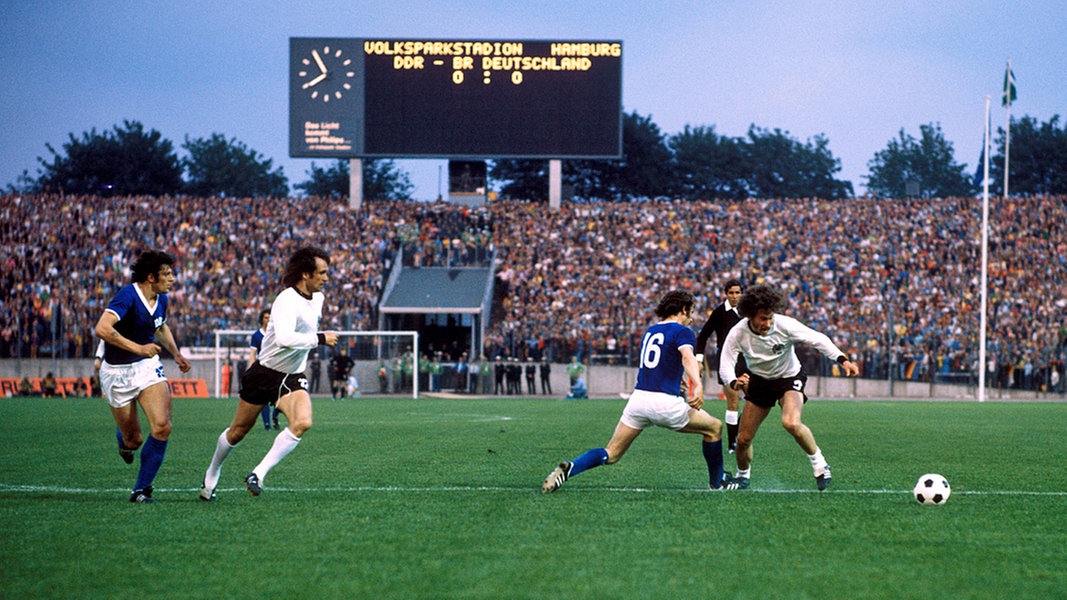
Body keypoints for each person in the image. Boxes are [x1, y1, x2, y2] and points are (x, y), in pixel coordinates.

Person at [542, 290, 730, 493]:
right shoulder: (682, 331)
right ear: (683, 309)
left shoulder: (650, 331)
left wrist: (679, 382)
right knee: (714, 428)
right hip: (664, 404)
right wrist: (698, 385)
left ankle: (571, 467)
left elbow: (658, 364)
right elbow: (687, 358)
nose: (692, 318)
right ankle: (717, 483)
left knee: (611, 453)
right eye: (691, 312)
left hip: (638, 401)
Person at [199, 246, 338, 501]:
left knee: (303, 422)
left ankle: (258, 474)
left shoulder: (318, 298)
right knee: (238, 431)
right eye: (322, 273)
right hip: (265, 373)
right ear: (306, 274)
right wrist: (319, 338)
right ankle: (212, 471)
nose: (326, 278)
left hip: (292, 376)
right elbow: (284, 338)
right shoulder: (286, 299)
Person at [718, 284, 859, 491]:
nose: (768, 323)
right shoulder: (738, 333)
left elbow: (818, 339)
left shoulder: (785, 325)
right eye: (762, 319)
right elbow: (725, 365)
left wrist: (842, 360)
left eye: (770, 317)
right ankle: (742, 477)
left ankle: (820, 465)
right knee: (743, 438)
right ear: (750, 316)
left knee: (791, 422)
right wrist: (733, 382)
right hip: (759, 382)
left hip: (789, 377)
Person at [95, 249, 191, 503]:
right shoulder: (128, 295)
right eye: (167, 274)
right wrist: (139, 348)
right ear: (151, 277)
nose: (172, 279)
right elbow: (102, 328)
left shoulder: (162, 298)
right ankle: (123, 439)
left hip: (147, 368)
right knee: (134, 439)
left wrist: (176, 353)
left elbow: (159, 326)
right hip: (117, 373)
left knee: (162, 426)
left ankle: (141, 490)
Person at [695, 278, 746, 453]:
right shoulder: (719, 313)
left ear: (742, 294)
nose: (734, 296)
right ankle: (733, 443)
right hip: (727, 362)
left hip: (748, 361)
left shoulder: (748, 312)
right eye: (731, 293)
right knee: (732, 402)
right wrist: (699, 360)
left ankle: (743, 435)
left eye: (737, 292)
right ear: (726, 294)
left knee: (753, 400)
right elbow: (702, 337)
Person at [249, 309, 281, 430]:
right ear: (262, 319)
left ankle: (275, 415)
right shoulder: (256, 336)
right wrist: (251, 370)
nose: (268, 320)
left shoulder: (277, 334)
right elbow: (253, 353)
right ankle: (267, 423)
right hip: (262, 369)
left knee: (281, 397)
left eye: (270, 318)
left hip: (278, 368)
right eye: (266, 318)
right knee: (264, 398)